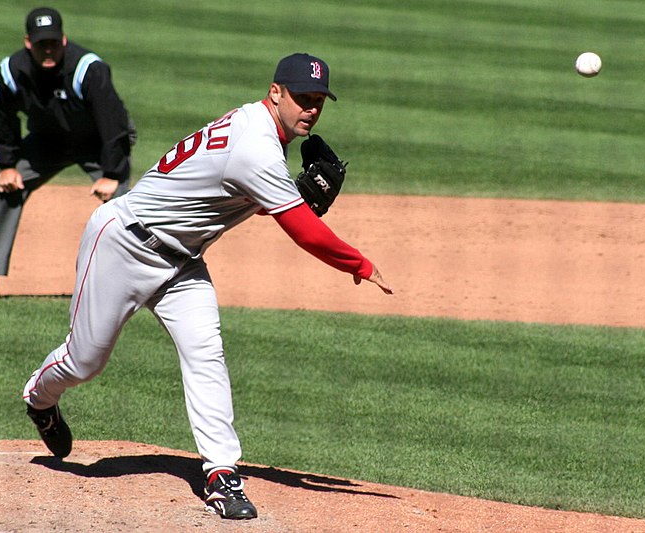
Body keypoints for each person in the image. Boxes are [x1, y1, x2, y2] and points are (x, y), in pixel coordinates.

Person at [21, 52, 393, 520]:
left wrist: (290, 196)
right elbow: (304, 232)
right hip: (124, 244)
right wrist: (360, 264)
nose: (311, 109)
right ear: (276, 92)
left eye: (319, 100)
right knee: (85, 360)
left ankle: (221, 474)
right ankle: (40, 397)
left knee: (205, 353)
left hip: (182, 263)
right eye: (303, 97)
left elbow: (233, 193)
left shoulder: (257, 127)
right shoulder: (257, 146)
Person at [0, 7, 135, 297]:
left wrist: (112, 173)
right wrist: (7, 164)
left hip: (97, 142)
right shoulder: (11, 71)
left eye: (53, 43)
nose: (48, 50)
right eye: (42, 44)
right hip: (47, 141)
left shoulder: (88, 69)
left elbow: (113, 124)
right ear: (28, 42)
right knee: (2, 188)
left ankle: (130, 281)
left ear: (63, 40)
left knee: (121, 199)